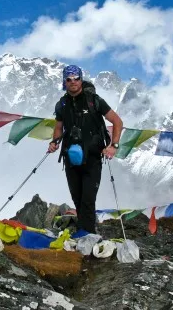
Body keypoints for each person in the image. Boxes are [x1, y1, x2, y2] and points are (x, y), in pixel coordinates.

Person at [47, 65, 123, 234]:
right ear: (64, 82)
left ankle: (87, 235)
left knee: (88, 199)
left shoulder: (94, 100)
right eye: (69, 79)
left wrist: (114, 146)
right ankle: (85, 231)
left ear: (81, 80)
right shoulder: (62, 104)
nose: (73, 82)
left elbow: (117, 122)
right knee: (78, 198)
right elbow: (59, 127)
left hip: (93, 157)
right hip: (70, 158)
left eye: (76, 78)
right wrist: (54, 142)